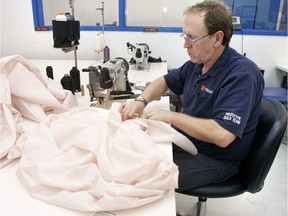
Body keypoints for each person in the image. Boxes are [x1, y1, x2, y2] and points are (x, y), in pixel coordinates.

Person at [120, 0, 264, 191]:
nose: (185, 45)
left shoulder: (241, 74)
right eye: (184, 36)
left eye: (192, 38)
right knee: (131, 153)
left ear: (217, 38)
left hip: (218, 159)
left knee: (141, 180)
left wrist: (171, 116)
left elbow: (222, 135)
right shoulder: (197, 64)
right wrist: (141, 101)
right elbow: (163, 81)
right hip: (188, 141)